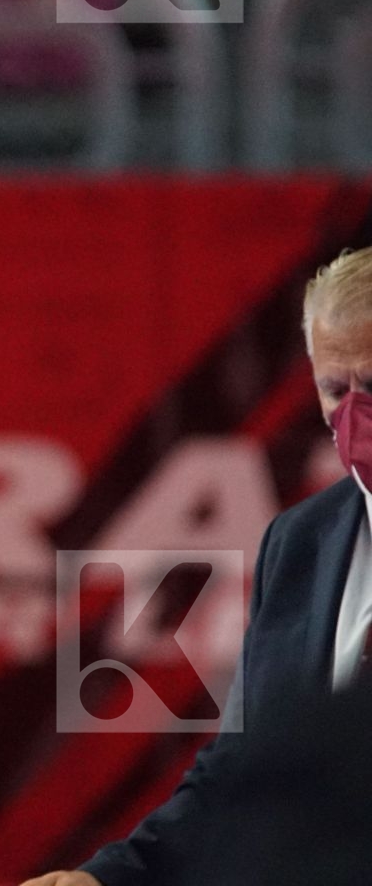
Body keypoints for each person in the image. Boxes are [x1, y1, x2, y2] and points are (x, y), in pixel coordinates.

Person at [22, 246, 372, 886]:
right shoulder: (301, 543)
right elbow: (248, 769)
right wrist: (107, 878)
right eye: (333, 388)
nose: (352, 413)